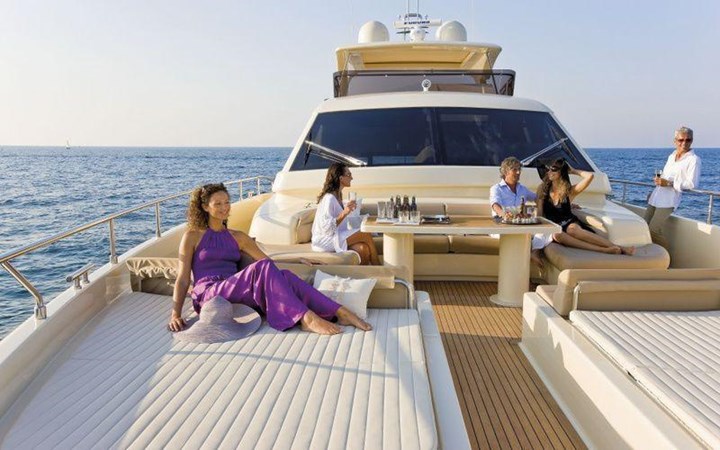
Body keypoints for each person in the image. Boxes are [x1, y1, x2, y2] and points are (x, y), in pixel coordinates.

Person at [168, 183, 372, 336]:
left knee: (286, 276)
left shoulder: (238, 237)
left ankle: (340, 312)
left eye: (227, 202)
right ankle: (307, 318)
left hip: (233, 288)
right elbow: (183, 279)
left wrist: (297, 260)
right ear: (205, 207)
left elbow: (267, 261)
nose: (225, 207)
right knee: (264, 268)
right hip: (209, 295)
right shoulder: (192, 236)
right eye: (218, 204)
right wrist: (175, 314)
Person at [537, 158, 635, 255]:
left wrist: (573, 171)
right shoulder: (542, 189)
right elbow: (540, 213)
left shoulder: (569, 191)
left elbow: (590, 176)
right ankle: (603, 250)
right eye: (548, 169)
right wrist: (541, 228)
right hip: (554, 226)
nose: (549, 172)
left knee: (572, 230)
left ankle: (620, 247)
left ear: (561, 172)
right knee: (557, 235)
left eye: (553, 169)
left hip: (569, 223)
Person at [312, 163, 380, 265]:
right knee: (365, 234)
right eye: (349, 175)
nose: (351, 178)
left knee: (363, 249)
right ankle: (379, 268)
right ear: (341, 178)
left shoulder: (338, 195)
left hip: (337, 236)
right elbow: (326, 228)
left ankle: (364, 274)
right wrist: (345, 212)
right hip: (324, 240)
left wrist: (347, 210)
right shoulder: (329, 198)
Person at [644, 126, 701, 248]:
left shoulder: (694, 160)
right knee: (644, 225)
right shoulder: (671, 156)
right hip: (656, 196)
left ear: (692, 140)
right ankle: (651, 254)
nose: (684, 143)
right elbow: (665, 177)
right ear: (675, 141)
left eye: (688, 140)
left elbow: (692, 184)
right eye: (681, 140)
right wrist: (655, 189)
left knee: (653, 230)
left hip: (668, 201)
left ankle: (668, 257)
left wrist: (669, 183)